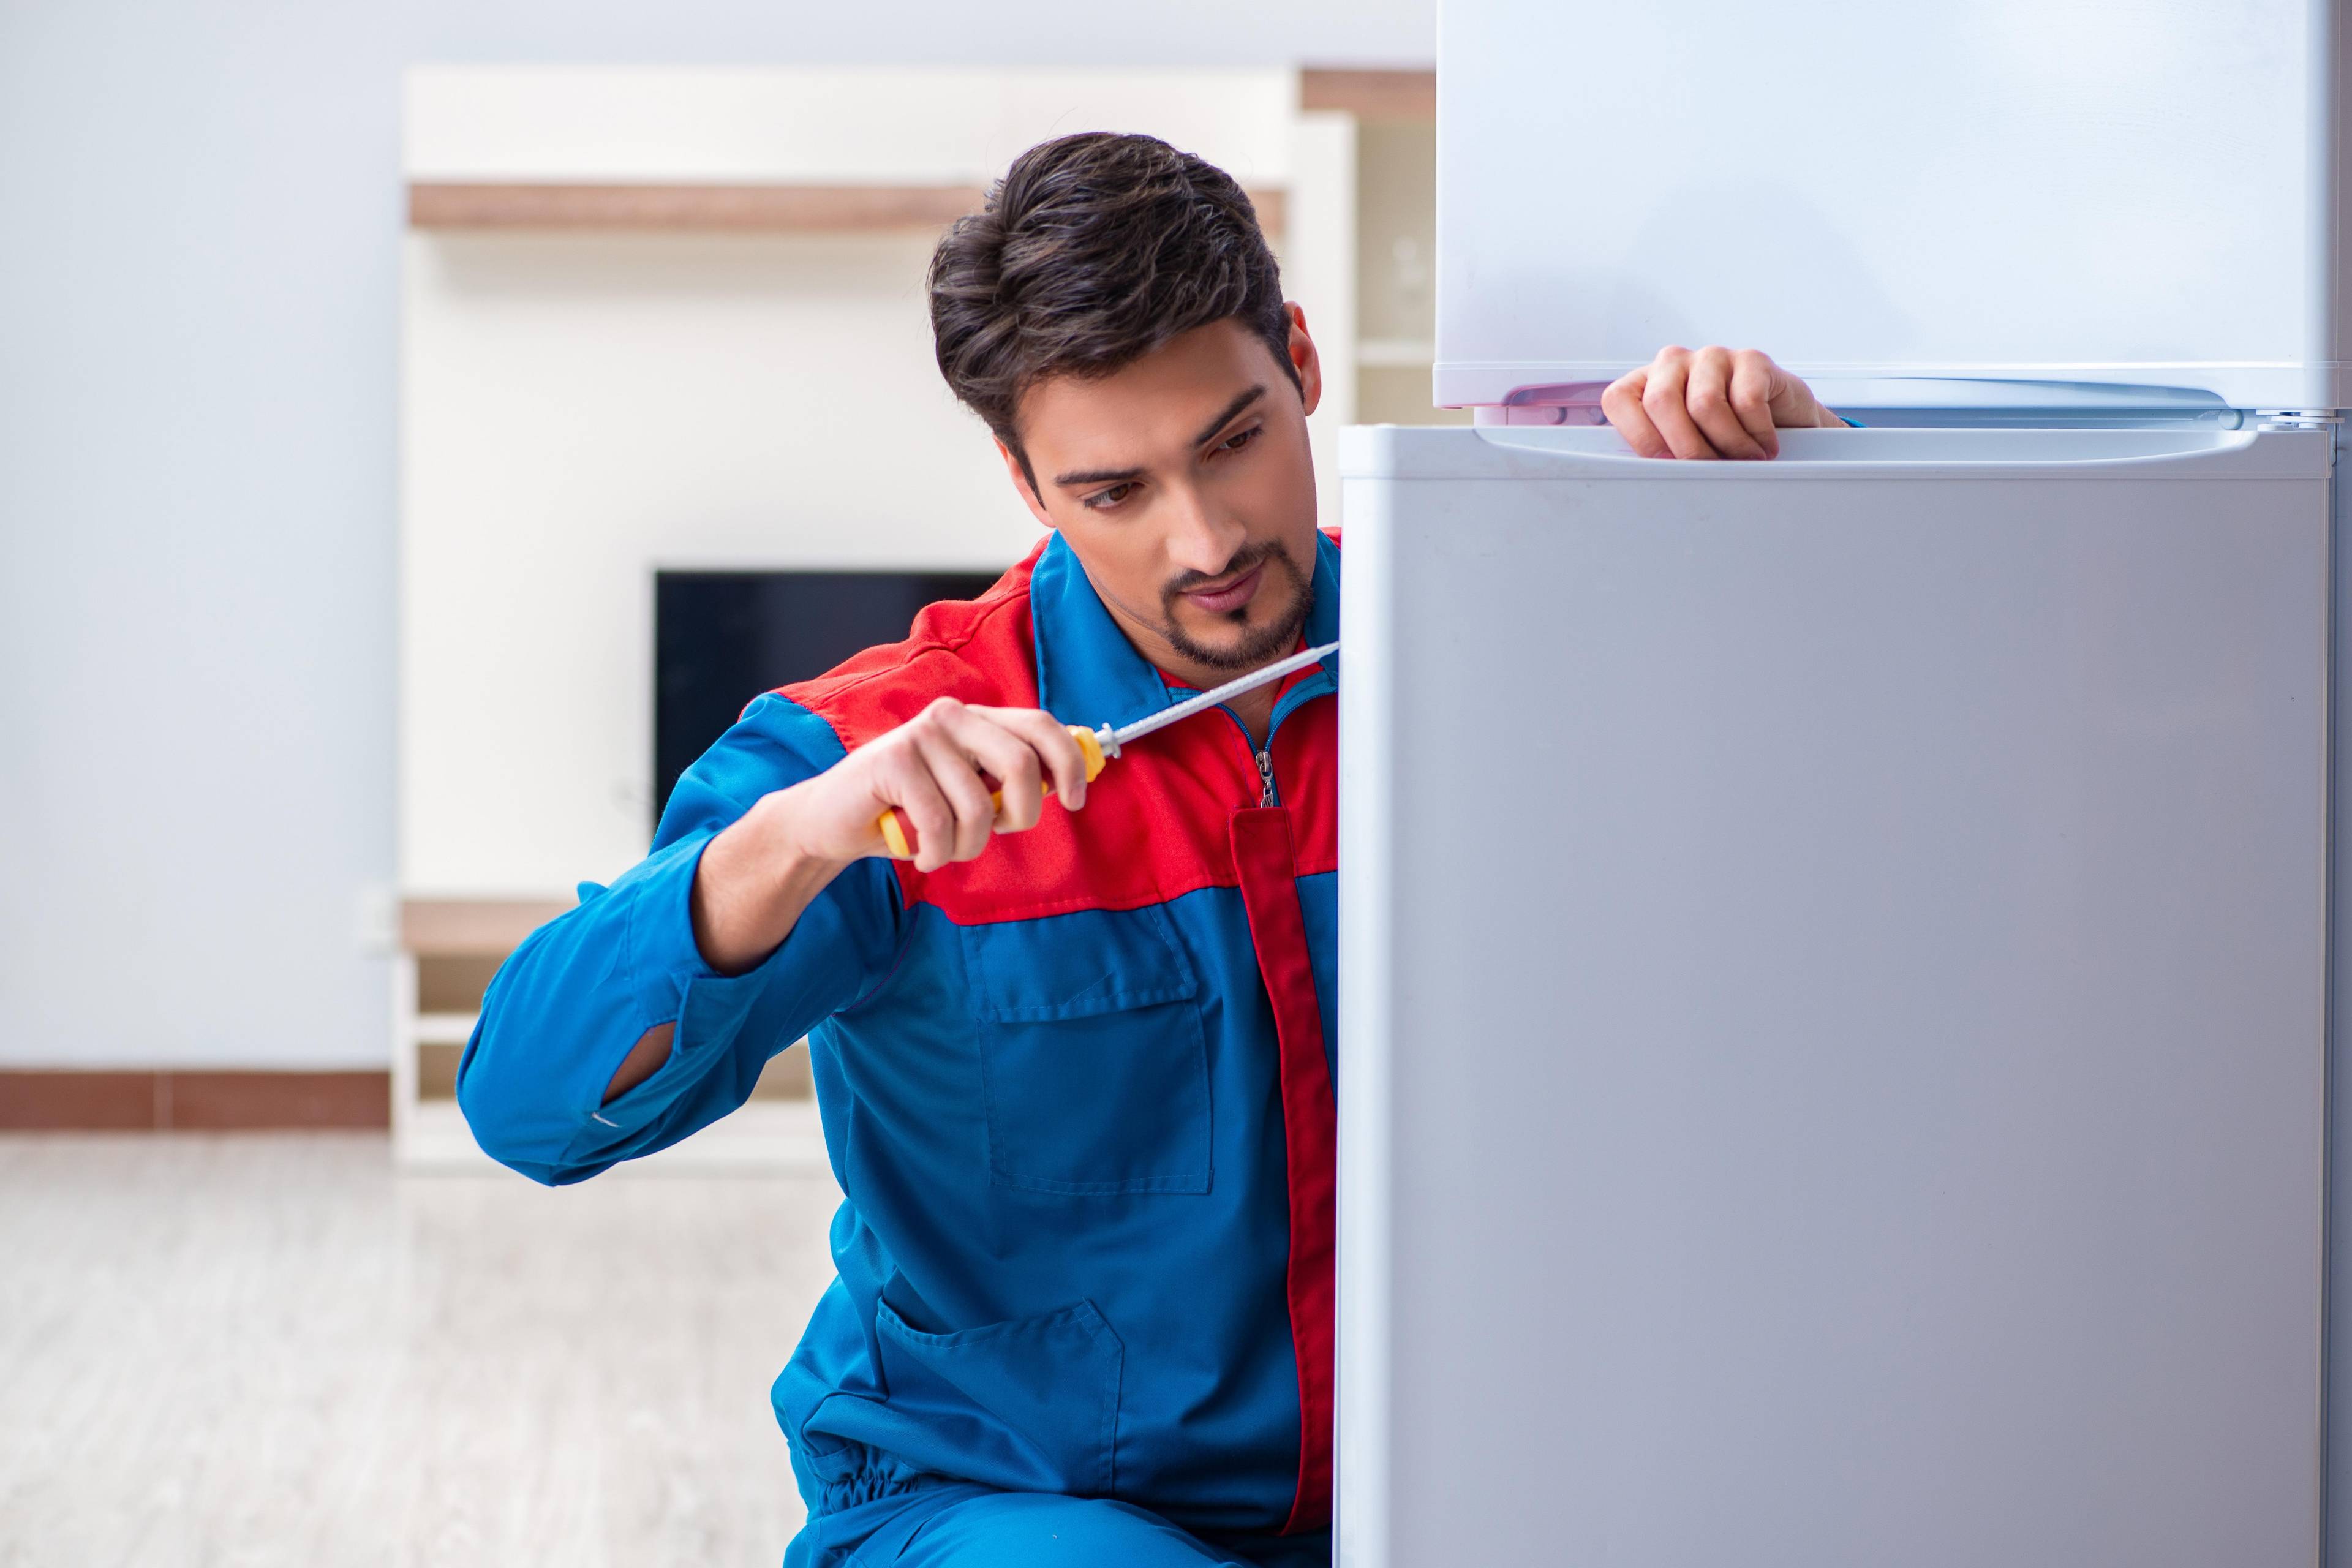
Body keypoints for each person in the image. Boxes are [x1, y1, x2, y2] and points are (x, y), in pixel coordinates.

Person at [455, 130, 1848, 1567]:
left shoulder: (1519, 659)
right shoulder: (875, 756)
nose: (1207, 541)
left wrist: (1819, 508)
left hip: (1451, 1489)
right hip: (1009, 1509)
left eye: (1234, 441)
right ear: (1026, 481)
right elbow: (525, 1105)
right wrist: (793, 842)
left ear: (1300, 360)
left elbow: (1870, 869)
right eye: (1116, 491)